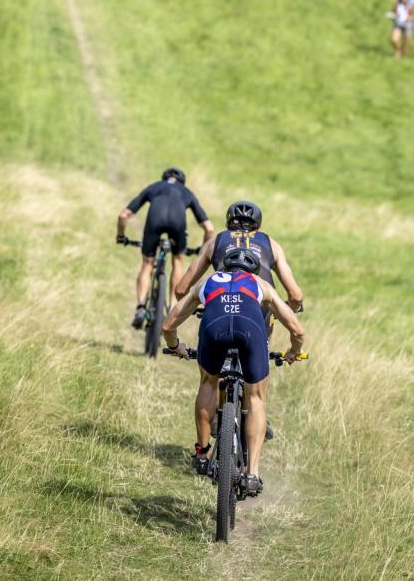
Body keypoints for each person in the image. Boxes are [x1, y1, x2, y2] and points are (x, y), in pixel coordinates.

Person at [162, 247, 307, 495]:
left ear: (225, 267)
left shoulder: (207, 282)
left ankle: (202, 454)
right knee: (256, 398)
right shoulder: (260, 284)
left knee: (208, 383)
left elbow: (168, 325)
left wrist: (176, 346)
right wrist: (294, 351)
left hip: (214, 329)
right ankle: (252, 474)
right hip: (250, 331)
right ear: (252, 270)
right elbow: (298, 330)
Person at [116, 168, 213, 328]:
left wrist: (121, 236)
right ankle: (172, 306)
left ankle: (141, 307)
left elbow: (123, 215)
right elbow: (209, 228)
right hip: (177, 224)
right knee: (177, 261)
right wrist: (203, 251)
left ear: (164, 178)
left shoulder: (154, 187)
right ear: (182, 182)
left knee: (147, 263)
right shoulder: (186, 192)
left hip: (154, 222)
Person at [175, 200, 305, 314]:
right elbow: (296, 296)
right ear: (258, 226)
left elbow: (181, 290)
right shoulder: (271, 244)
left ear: (228, 224)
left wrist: (193, 308)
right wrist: (286, 310)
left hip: (222, 303)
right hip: (260, 308)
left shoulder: (214, 242)